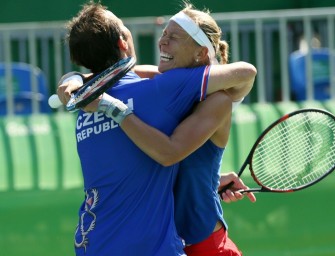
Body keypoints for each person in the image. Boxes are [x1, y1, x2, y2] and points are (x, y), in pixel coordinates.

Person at [57, 1, 256, 255]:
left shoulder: (206, 97)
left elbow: (169, 153)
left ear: (200, 52)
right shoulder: (163, 87)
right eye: (164, 35)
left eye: (173, 37)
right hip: (171, 241)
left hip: (206, 244)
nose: (162, 42)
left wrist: (82, 83)